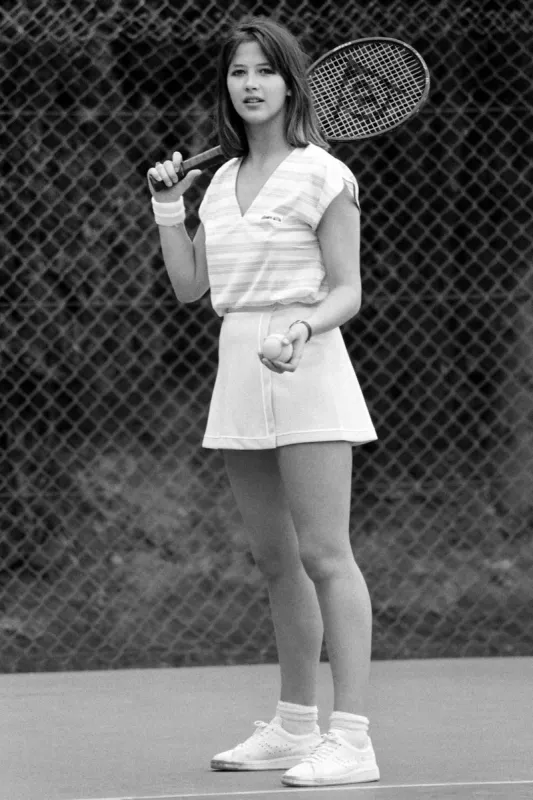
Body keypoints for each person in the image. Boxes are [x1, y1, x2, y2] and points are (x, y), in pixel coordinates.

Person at [147, 15, 380, 789]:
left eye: (263, 71)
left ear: (289, 83)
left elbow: (345, 290)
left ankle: (351, 740)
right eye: (237, 72)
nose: (248, 84)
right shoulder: (215, 182)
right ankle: (293, 727)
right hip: (238, 368)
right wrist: (167, 208)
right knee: (276, 561)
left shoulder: (325, 175)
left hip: (307, 365)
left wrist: (301, 324)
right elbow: (189, 288)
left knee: (324, 555)